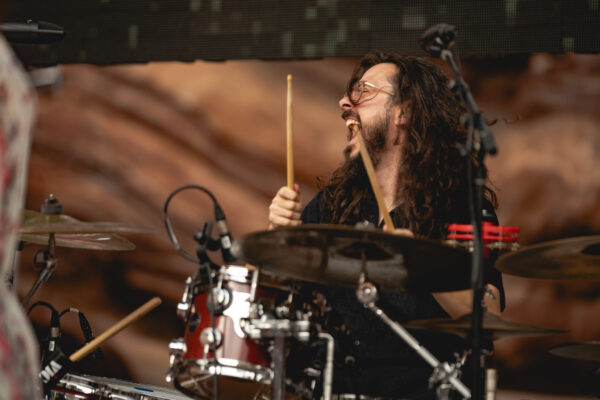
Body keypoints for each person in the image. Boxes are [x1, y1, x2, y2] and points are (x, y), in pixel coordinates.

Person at [268, 51, 505, 399]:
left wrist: (423, 265)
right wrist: (278, 239)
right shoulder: (331, 207)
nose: (344, 102)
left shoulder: (463, 207)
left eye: (363, 91)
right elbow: (280, 308)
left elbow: (492, 314)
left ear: (404, 112)